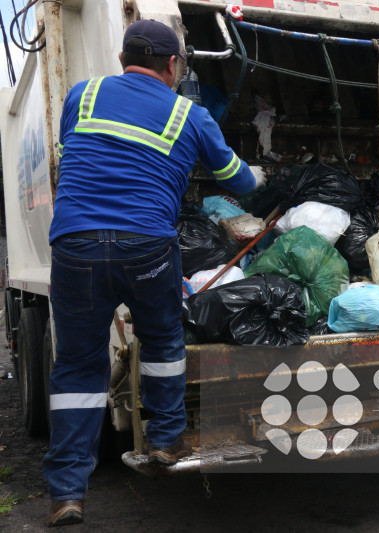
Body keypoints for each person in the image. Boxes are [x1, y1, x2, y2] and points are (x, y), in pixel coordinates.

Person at [42, 19, 265, 527]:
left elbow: (72, 155)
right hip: (146, 246)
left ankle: (67, 493)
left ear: (123, 59)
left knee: (77, 367)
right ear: (172, 65)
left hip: (74, 245)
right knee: (162, 339)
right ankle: (165, 441)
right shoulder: (190, 113)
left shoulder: (82, 94)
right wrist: (263, 177)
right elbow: (240, 180)